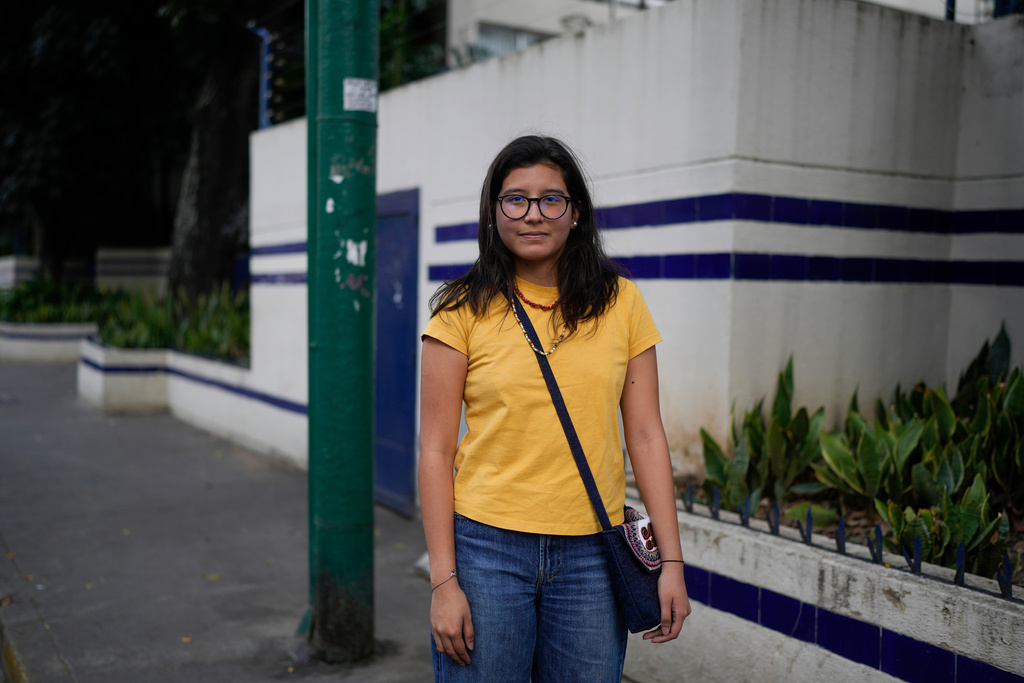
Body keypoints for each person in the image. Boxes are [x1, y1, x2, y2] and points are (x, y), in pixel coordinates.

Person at [419, 134, 690, 682]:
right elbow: (434, 449)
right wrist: (444, 582)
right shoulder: (459, 310)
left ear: (576, 213)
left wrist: (672, 563)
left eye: (552, 199)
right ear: (493, 212)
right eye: (515, 199)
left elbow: (646, 435)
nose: (533, 214)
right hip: (486, 552)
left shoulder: (622, 302)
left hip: (593, 553)